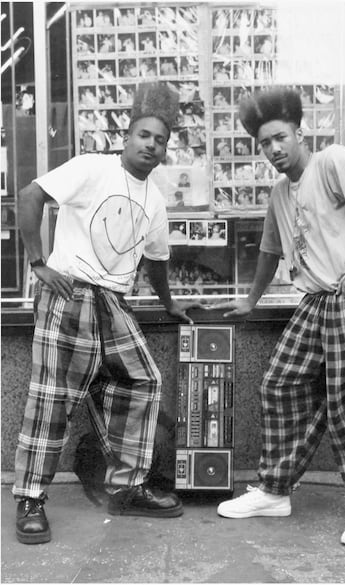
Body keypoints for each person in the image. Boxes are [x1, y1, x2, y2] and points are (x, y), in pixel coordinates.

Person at [14, 82, 202, 545]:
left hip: (114, 303)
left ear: (164, 150)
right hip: (70, 291)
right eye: (144, 135)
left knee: (144, 379)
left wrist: (169, 304)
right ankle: (31, 497)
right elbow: (29, 195)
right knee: (53, 396)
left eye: (160, 140)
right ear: (127, 137)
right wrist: (39, 264)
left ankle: (127, 485)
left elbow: (156, 263)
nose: (151, 145)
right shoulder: (91, 167)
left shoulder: (154, 201)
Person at [212, 87, 345, 547]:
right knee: (280, 384)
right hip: (316, 300)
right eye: (264, 143)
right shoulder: (280, 191)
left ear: (299, 132)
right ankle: (275, 490)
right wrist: (250, 301)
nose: (273, 149)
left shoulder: (330, 160)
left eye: (280, 137)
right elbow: (269, 250)